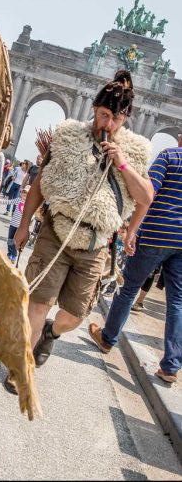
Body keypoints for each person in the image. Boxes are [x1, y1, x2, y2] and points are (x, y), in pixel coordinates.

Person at [3, 70, 154, 395]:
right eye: (102, 115)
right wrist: (25, 224)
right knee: (38, 303)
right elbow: (40, 185)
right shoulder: (69, 136)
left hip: (96, 244)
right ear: (95, 109)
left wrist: (123, 166)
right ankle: (21, 367)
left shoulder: (137, 151)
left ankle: (51, 334)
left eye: (115, 118)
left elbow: (145, 197)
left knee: (74, 315)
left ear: (125, 118)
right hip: (56, 232)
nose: (107, 124)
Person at [89, 132, 182, 384]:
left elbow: (147, 193)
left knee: (129, 288)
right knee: (177, 302)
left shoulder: (169, 156)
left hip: (156, 235)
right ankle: (171, 366)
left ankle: (107, 338)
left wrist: (133, 231)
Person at [0, 185, 30, 263]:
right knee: (10, 240)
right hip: (13, 224)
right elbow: (9, 201)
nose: (25, 194)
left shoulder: (28, 204)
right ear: (21, 193)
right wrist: (0, 201)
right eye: (24, 192)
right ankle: (9, 253)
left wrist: (30, 220)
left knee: (15, 241)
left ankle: (14, 255)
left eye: (27, 193)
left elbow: (31, 214)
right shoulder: (18, 200)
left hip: (20, 227)